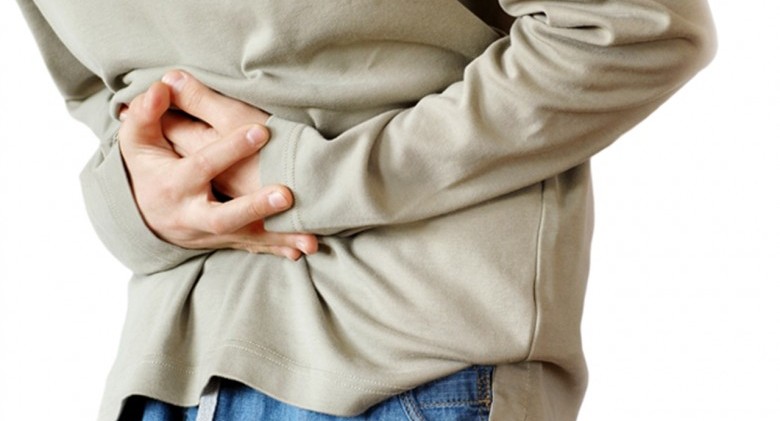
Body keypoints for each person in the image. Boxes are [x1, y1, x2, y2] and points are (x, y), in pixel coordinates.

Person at [16, 0, 716, 420]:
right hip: (166, 373)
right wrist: (139, 204)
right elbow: (100, 90)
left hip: (403, 360)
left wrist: (308, 178)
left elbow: (633, 25)